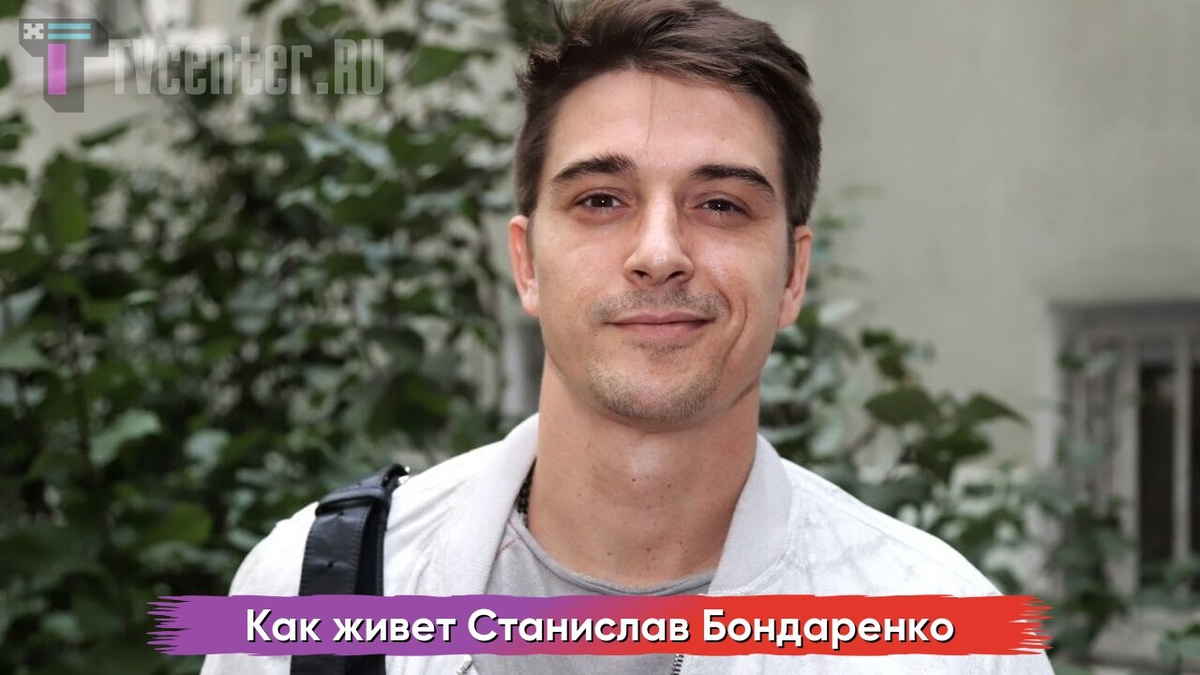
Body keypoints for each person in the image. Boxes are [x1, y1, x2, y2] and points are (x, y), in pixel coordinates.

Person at [203, 1, 1053, 673]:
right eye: (601, 199)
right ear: (526, 262)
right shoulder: (317, 592)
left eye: (721, 204)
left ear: (794, 275)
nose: (659, 253)